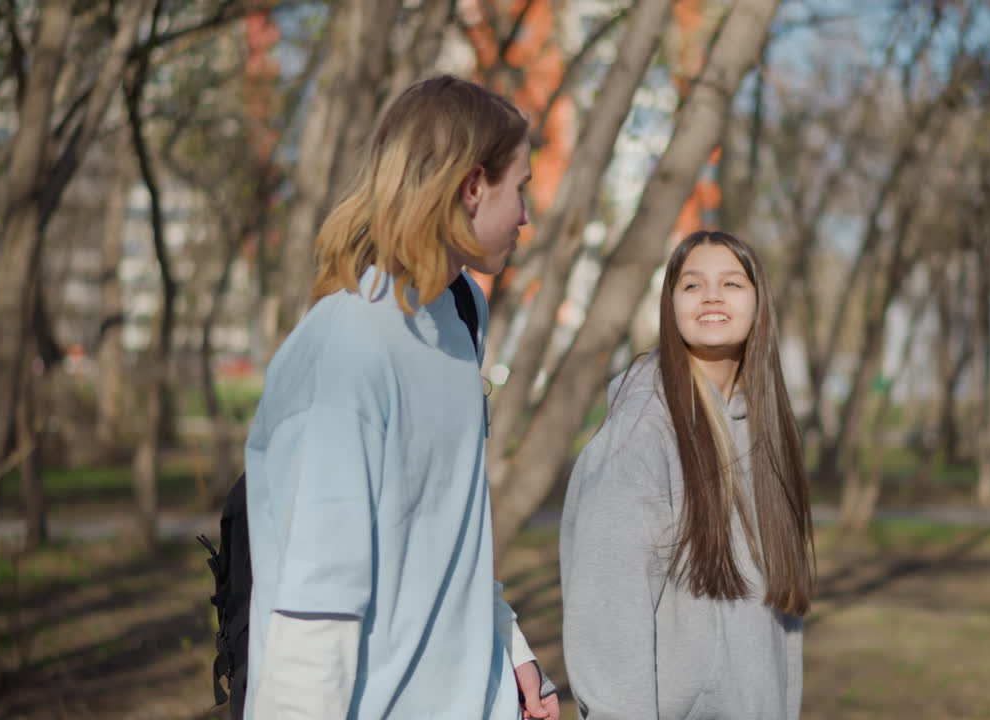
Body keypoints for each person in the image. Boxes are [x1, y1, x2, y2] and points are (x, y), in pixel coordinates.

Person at [243, 75, 559, 720]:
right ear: (473, 187)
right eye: (520, 188)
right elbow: (312, 616)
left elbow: (448, 524)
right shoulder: (344, 356)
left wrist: (509, 644)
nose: (527, 214)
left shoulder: (462, 311)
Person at [560, 230, 817, 719]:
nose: (712, 296)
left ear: (760, 302)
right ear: (670, 304)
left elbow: (777, 623)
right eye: (693, 285)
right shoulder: (641, 434)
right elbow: (608, 615)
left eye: (732, 283)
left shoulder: (768, 432)